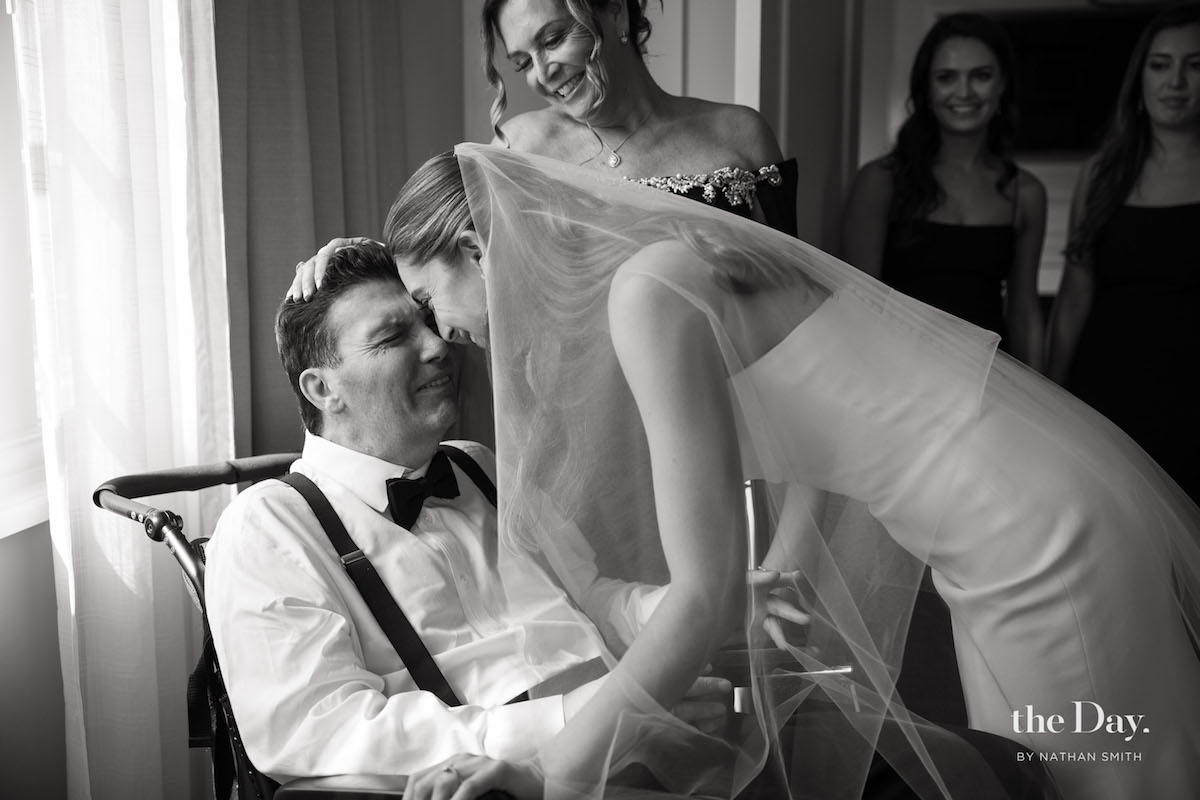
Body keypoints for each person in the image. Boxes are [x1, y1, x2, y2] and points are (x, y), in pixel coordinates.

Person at [385, 145, 1199, 800]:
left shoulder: (646, 295)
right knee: (1038, 772)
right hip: (994, 524)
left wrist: (550, 771)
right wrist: (786, 569)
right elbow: (820, 435)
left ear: (477, 250)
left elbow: (701, 599)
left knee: (1100, 778)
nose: (437, 336)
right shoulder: (656, 265)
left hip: (1032, 533)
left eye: (426, 302)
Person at [205, 242, 778, 783]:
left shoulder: (478, 465)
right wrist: (591, 717)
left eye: (428, 320)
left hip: (646, 739)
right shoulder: (269, 526)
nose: (437, 347)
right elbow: (319, 734)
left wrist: (707, 603)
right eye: (392, 336)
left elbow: (591, 601)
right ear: (322, 389)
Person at [1047, 2, 1200, 504]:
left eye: (1194, 64)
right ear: (1140, 79)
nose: (1175, 81)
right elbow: (1074, 298)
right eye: (1160, 64)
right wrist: (1053, 397)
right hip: (1108, 393)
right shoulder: (1102, 174)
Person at [842, 13, 1046, 371]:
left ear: (1002, 84)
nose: (964, 92)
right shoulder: (880, 181)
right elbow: (858, 306)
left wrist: (1043, 394)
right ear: (926, 89)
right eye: (946, 77)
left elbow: (1024, 312)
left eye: (981, 76)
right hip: (898, 378)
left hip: (991, 382)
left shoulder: (1025, 193)